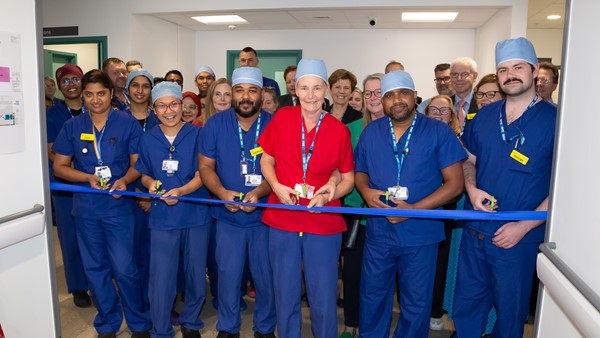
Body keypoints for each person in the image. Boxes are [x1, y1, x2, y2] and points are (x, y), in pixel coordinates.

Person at [453, 37, 557, 338]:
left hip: (519, 239)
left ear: (535, 70)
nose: (510, 74)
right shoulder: (485, 117)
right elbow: (468, 161)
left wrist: (524, 226)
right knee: (466, 307)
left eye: (518, 67)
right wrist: (471, 190)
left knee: (510, 316)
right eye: (502, 69)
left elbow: (565, 187)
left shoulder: (556, 121)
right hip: (475, 233)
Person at [354, 70, 466, 338]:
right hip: (379, 232)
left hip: (420, 234)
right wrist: (366, 192)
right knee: (372, 297)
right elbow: (360, 171)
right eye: (389, 95)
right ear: (382, 101)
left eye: (403, 93)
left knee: (416, 303)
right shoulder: (371, 133)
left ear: (415, 96)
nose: (397, 100)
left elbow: (455, 184)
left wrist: (414, 210)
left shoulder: (438, 131)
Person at [258, 58, 355, 338]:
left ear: (325, 88)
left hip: (322, 221)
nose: (310, 95)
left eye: (316, 88)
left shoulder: (339, 130)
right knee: (285, 291)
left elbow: (348, 178)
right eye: (304, 88)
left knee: (322, 294)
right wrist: (276, 186)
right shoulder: (282, 119)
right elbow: (267, 160)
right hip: (283, 217)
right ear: (295, 91)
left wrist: (330, 194)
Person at [52, 69, 151, 338]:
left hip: (118, 209)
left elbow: (136, 165)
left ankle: (139, 322)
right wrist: (87, 177)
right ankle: (107, 321)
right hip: (86, 208)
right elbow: (60, 167)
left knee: (125, 268)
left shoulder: (126, 123)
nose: (95, 100)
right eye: (89, 94)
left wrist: (125, 181)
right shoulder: (72, 127)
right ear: (83, 96)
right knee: (95, 268)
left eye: (101, 93)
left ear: (111, 94)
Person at [199, 67, 276, 338]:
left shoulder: (274, 124)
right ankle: (228, 327)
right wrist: (221, 193)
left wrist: (261, 192)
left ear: (260, 94)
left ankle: (265, 327)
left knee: (266, 278)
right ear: (232, 93)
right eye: (240, 90)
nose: (245, 96)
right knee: (228, 277)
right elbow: (206, 166)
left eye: (252, 90)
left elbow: (281, 170)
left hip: (265, 218)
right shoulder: (215, 125)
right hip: (228, 217)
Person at [135, 81, 212, 338]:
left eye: (174, 104)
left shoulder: (199, 134)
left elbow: (205, 173)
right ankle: (161, 328)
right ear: (153, 109)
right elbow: (143, 173)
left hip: (195, 213)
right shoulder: (148, 138)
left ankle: (191, 320)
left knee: (194, 272)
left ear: (182, 106)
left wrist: (180, 191)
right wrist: (150, 184)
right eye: (162, 105)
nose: (169, 110)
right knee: (161, 277)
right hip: (163, 217)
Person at [338, 73, 382, 338]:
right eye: (368, 93)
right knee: (352, 273)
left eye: (379, 92)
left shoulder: (399, 128)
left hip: (389, 215)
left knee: (379, 278)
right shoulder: (351, 129)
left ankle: (372, 325)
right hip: (356, 214)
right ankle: (350, 323)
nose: (373, 98)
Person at [46, 64, 90, 308]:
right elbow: (53, 151)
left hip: (93, 182)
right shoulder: (52, 114)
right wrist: (81, 168)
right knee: (70, 235)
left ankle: (96, 279)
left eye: (76, 79)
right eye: (65, 81)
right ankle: (78, 286)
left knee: (92, 234)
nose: (71, 84)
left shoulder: (91, 110)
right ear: (59, 86)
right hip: (65, 185)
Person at [124, 68, 159, 307]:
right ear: (127, 89)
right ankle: (137, 302)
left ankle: (159, 300)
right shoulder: (118, 120)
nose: (140, 90)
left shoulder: (161, 118)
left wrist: (150, 194)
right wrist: (137, 193)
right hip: (129, 196)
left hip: (159, 195)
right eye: (135, 85)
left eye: (145, 86)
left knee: (158, 255)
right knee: (133, 254)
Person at [450, 57, 479, 132]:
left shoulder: (482, 103)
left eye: (464, 74)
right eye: (455, 74)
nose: (459, 78)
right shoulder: (446, 104)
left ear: (474, 76)